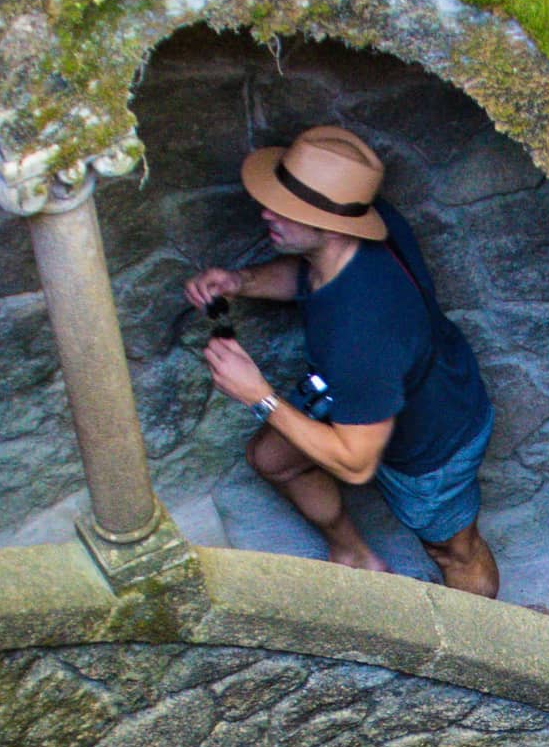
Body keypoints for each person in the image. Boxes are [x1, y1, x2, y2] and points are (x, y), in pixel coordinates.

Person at [186, 124, 501, 596]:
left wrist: (259, 395)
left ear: (334, 223)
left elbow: (356, 464)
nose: (266, 212)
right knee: (273, 458)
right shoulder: (361, 232)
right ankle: (356, 555)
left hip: (431, 443)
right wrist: (242, 281)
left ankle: (478, 649)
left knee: (454, 551)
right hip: (377, 387)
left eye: (289, 210)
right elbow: (311, 273)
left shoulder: (363, 336)